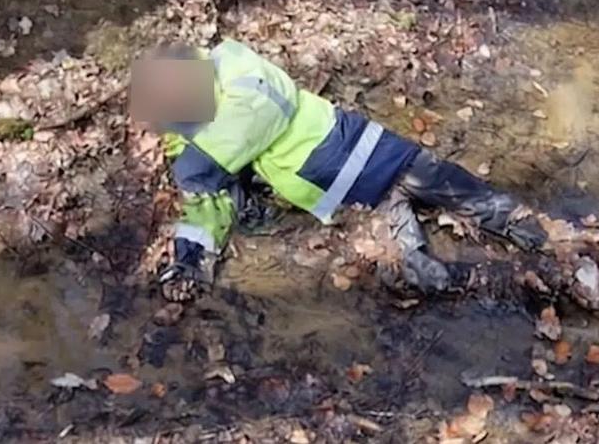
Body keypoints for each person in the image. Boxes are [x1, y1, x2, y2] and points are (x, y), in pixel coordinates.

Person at [130, 39, 548, 302]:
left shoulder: (225, 120)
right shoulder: (234, 70)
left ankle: (519, 272)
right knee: (463, 220)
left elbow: (210, 189)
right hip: (381, 163)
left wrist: (190, 253)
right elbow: (208, 197)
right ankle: (541, 259)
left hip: (365, 190)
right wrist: (189, 256)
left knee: (429, 267)